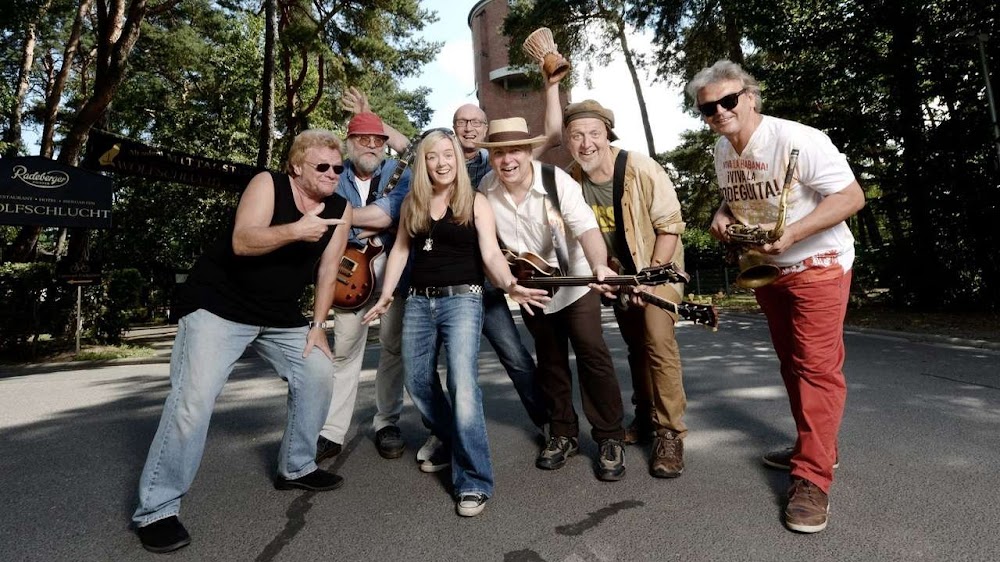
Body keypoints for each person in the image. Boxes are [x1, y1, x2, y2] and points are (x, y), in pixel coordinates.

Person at [131, 129, 351, 554]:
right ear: (296, 166)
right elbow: (243, 240)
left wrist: (318, 325)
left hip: (279, 314)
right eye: (322, 166)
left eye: (337, 168)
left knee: (318, 371)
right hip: (219, 306)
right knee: (193, 400)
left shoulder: (341, 209)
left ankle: (297, 467)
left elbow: (328, 270)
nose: (331, 174)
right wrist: (296, 230)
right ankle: (156, 510)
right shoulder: (268, 183)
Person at [340, 82, 562, 471]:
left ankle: (551, 425)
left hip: (483, 283)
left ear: (486, 130)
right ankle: (445, 433)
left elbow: (550, 136)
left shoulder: (495, 164)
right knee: (421, 373)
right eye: (462, 122)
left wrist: (552, 86)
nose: (469, 127)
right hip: (433, 282)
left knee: (513, 357)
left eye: (476, 122)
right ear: (453, 131)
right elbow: (410, 145)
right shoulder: (438, 161)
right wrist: (369, 116)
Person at [687, 60, 865, 533]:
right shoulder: (723, 149)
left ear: (750, 97)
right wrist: (722, 213)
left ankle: (812, 478)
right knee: (792, 364)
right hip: (768, 271)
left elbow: (851, 197)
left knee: (815, 369)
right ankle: (816, 446)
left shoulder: (797, 139)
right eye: (708, 108)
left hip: (819, 263)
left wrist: (794, 234)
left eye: (728, 100)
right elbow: (741, 195)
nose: (719, 112)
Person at [362, 130, 549, 516]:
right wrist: (385, 295)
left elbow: (491, 254)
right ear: (424, 162)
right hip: (418, 301)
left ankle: (474, 480)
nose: (441, 162)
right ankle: (451, 437)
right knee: (417, 380)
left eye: (448, 154)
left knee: (462, 385)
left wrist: (509, 284)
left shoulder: (475, 201)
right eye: (432, 156)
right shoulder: (413, 201)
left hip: (463, 299)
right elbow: (400, 251)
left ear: (457, 159)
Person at [477, 117, 628, 482]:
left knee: (592, 353)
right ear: (491, 157)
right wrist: (509, 284)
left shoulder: (556, 181)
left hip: (576, 281)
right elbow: (490, 249)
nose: (507, 160)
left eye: (515, 150)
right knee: (550, 360)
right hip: (531, 287)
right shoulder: (486, 188)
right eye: (499, 153)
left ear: (529, 151)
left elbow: (587, 229)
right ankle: (562, 433)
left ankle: (610, 437)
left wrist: (599, 265)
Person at [558, 98, 690, 479]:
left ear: (607, 135)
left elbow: (670, 226)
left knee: (657, 339)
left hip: (659, 269)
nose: (586, 143)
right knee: (636, 346)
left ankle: (670, 432)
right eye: (577, 136)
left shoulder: (640, 168)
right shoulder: (570, 180)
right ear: (567, 140)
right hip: (618, 275)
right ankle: (645, 417)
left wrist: (648, 277)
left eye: (594, 134)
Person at [318, 111, 412, 463]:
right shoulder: (334, 173)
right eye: (363, 139)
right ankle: (332, 432)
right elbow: (319, 213)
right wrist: (373, 222)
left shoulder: (401, 173)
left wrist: (343, 220)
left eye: (378, 140)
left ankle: (387, 422)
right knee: (344, 350)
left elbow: (390, 213)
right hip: (348, 276)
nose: (371, 145)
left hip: (393, 273)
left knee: (393, 348)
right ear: (349, 142)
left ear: (385, 145)